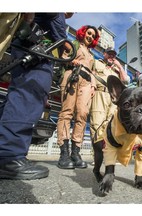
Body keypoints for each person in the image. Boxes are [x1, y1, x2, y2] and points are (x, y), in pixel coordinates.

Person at [0, 13, 70, 180]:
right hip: (35, 48)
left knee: (18, 97)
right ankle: (9, 157)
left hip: (35, 46)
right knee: (28, 95)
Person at [56, 25, 100, 169]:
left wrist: (93, 86)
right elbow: (62, 56)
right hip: (72, 75)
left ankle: (76, 153)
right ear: (83, 33)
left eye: (93, 36)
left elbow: (93, 72)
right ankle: (64, 153)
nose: (90, 37)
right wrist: (70, 60)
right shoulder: (74, 44)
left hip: (86, 82)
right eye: (89, 33)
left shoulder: (92, 55)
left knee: (82, 114)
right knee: (67, 112)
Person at [90, 47, 130, 182]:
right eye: (109, 54)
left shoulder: (117, 69)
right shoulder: (97, 62)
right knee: (97, 125)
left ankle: (108, 162)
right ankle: (96, 161)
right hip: (100, 94)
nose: (112, 56)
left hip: (113, 100)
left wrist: (119, 66)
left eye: (114, 55)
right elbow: (90, 75)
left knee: (111, 129)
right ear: (104, 54)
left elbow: (126, 81)